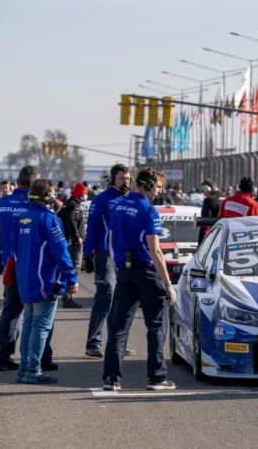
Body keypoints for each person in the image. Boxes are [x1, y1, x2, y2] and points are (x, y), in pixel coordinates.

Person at [103, 167, 177, 391]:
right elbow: (156, 251)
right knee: (156, 326)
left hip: (124, 271)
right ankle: (156, 378)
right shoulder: (148, 210)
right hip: (147, 271)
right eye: (158, 187)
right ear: (148, 185)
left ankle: (111, 380)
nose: (159, 191)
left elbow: (111, 241)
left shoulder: (118, 206)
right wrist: (167, 283)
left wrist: (118, 269)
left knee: (118, 328)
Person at [11, 179, 78, 384]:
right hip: (44, 281)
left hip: (25, 280)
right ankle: (33, 370)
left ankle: (24, 369)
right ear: (48, 197)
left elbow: (15, 249)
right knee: (41, 327)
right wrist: (72, 278)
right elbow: (61, 252)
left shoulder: (23, 217)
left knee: (30, 324)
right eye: (52, 193)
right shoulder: (49, 220)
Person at [0, 166, 57, 372]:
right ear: (34, 185)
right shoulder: (33, 206)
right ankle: (42, 357)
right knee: (41, 314)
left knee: (11, 312)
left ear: (18, 180)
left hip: (10, 263)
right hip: (33, 265)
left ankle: (3, 356)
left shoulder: (4, 201)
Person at [83, 164, 131, 358]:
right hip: (105, 254)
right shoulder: (102, 199)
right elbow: (92, 227)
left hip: (125, 255)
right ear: (113, 179)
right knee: (105, 297)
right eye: (122, 178)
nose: (125, 181)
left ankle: (117, 342)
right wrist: (87, 255)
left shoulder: (130, 199)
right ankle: (93, 342)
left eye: (128, 178)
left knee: (122, 300)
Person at [57, 182, 87, 309]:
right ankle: (67, 297)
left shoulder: (66, 205)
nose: (85, 196)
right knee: (74, 268)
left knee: (67, 268)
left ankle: (66, 295)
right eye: (84, 194)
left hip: (66, 241)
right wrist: (77, 237)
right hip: (73, 243)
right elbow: (71, 222)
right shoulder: (74, 207)